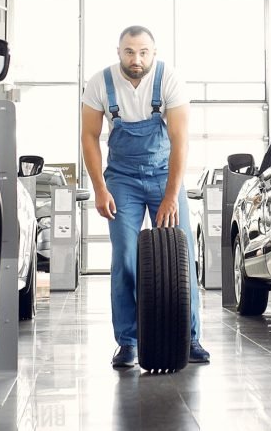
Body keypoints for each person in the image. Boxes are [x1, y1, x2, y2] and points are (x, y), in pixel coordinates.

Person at [81, 25, 209, 368]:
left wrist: (170, 196)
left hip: (165, 174)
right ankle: (128, 342)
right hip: (121, 179)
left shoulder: (169, 79)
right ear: (118, 51)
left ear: (153, 53)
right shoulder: (99, 84)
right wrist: (100, 189)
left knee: (183, 254)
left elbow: (181, 141)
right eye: (129, 52)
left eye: (143, 52)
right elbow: (89, 138)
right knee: (124, 256)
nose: (136, 59)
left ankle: (191, 338)